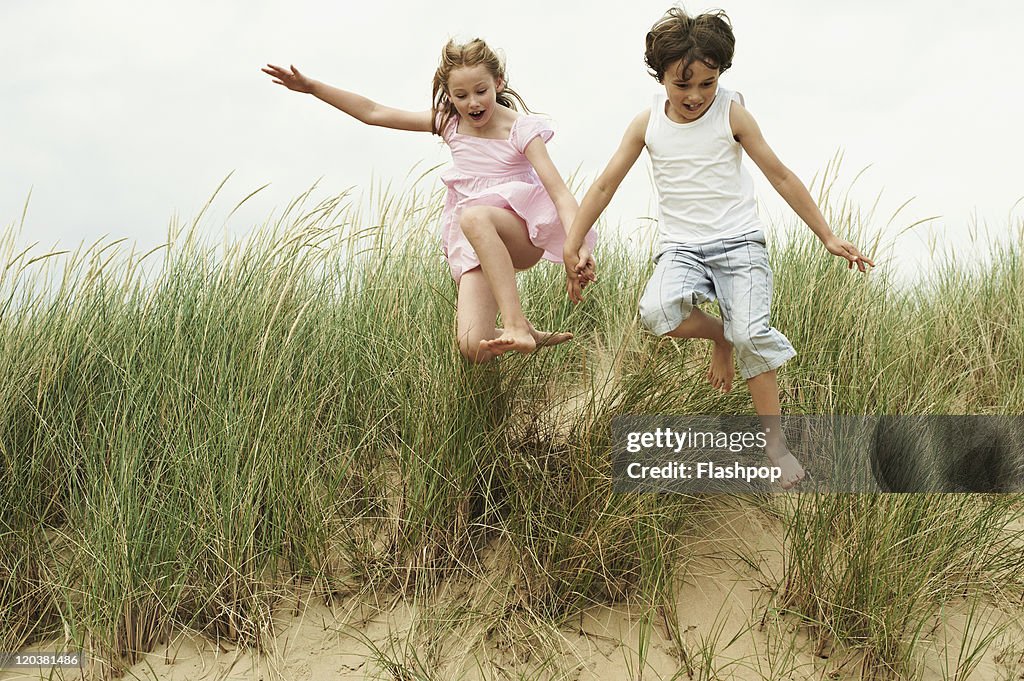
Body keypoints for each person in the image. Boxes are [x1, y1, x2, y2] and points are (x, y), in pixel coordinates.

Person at [562, 8, 873, 489]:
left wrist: (827, 235)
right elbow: (604, 185)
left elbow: (781, 175)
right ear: (660, 75)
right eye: (681, 85)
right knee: (656, 312)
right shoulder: (647, 124)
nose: (695, 96)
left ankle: (776, 445)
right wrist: (573, 241)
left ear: (720, 75)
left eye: (707, 83)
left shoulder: (732, 112)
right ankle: (720, 334)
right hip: (681, 248)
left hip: (740, 244)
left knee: (752, 335)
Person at [263, 39, 595, 363]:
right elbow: (373, 112)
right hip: (479, 241)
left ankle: (516, 323)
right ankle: (529, 335)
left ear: (498, 82)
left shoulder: (521, 130)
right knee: (474, 347)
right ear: (448, 95)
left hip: (521, 233)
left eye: (481, 91)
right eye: (461, 96)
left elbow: (560, 194)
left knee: (474, 216)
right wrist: (312, 87)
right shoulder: (448, 123)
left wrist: (577, 248)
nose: (473, 103)